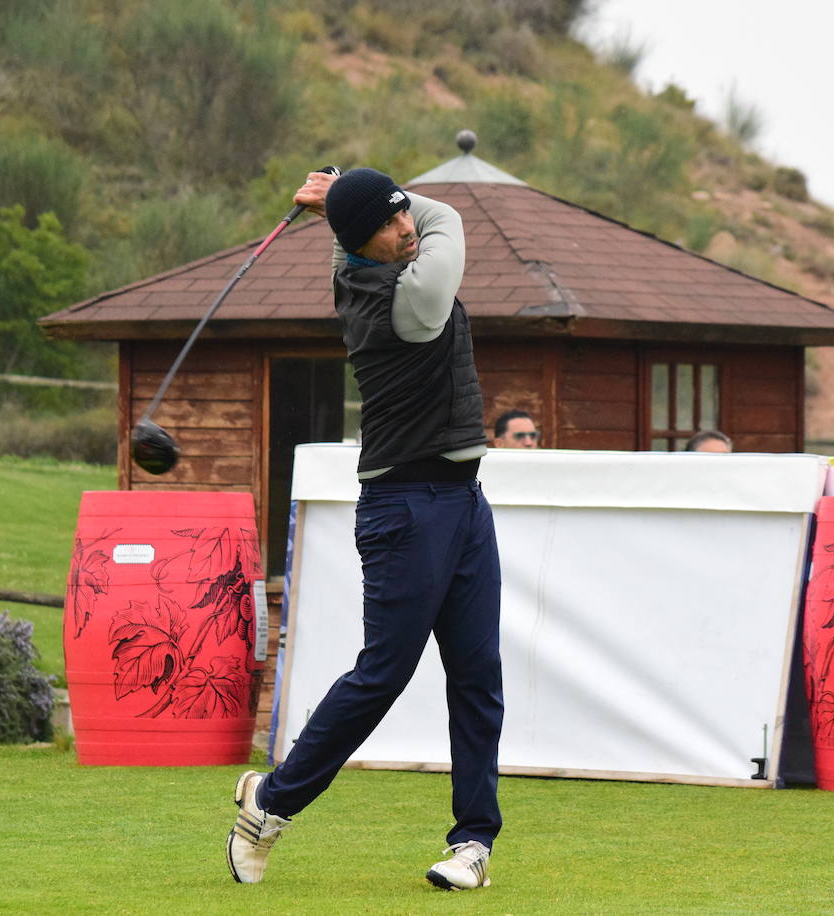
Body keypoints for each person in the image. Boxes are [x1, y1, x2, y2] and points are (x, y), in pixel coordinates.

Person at [226, 167, 503, 892]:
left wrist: (351, 196)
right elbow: (450, 222)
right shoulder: (406, 300)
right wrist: (363, 188)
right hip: (405, 507)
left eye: (401, 215)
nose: (406, 227)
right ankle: (271, 804)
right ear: (362, 244)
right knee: (385, 672)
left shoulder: (357, 258)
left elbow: (377, 225)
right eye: (389, 224)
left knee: (478, 675)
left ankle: (473, 840)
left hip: (463, 500)